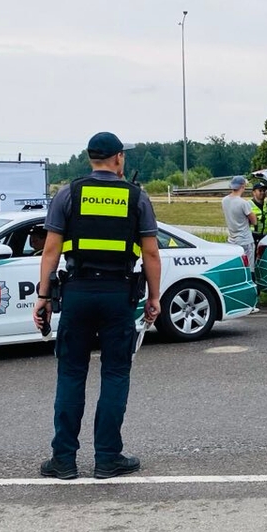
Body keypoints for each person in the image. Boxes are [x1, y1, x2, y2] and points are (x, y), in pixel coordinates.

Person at [32, 132, 161, 480]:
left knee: (71, 374)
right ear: (118, 158)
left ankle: (63, 460)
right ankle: (107, 458)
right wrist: (154, 297)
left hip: (77, 293)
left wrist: (43, 296)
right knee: (115, 374)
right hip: (118, 295)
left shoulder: (68, 193)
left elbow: (50, 251)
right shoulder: (137, 197)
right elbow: (150, 252)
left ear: (90, 158)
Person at [222, 175, 257, 267]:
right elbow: (254, 221)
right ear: (242, 186)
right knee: (248, 269)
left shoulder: (224, 200)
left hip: (232, 240)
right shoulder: (243, 203)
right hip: (245, 240)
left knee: (237, 267)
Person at [249, 181, 267, 245]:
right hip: (252, 237)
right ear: (254, 192)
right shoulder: (248, 205)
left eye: (264, 191)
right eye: (260, 190)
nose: (262, 192)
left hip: (266, 237)